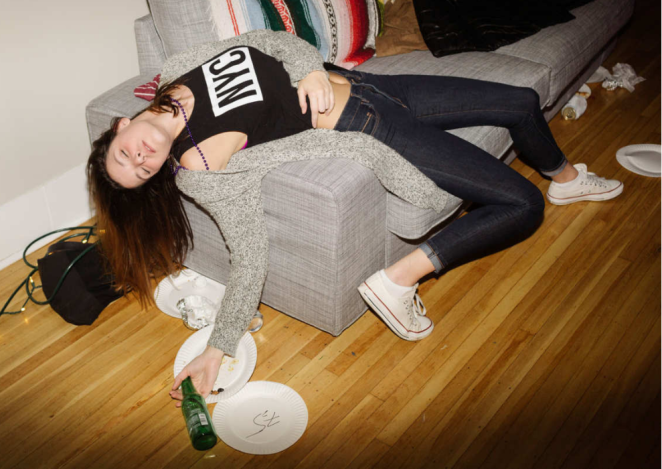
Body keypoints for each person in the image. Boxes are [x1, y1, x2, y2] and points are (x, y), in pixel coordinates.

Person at [86, 30, 622, 405]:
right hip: (366, 122)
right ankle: (400, 278)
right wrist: (216, 348)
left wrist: (309, 69)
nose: (140, 158)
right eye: (140, 170)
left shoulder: (177, 74)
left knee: (523, 101)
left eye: (124, 154)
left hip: (368, 85)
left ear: (118, 129)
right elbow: (248, 251)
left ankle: (568, 179)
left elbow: (267, 41)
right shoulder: (201, 166)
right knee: (523, 205)